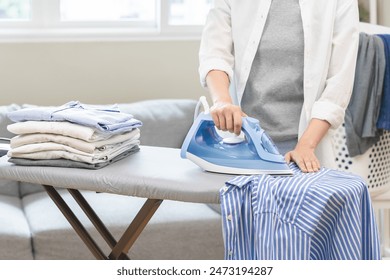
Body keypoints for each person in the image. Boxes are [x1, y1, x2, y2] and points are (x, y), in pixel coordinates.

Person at [199, 0, 360, 173]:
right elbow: (214, 51)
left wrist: (306, 145)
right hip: (240, 143)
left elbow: (339, 83)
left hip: (301, 148)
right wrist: (222, 101)